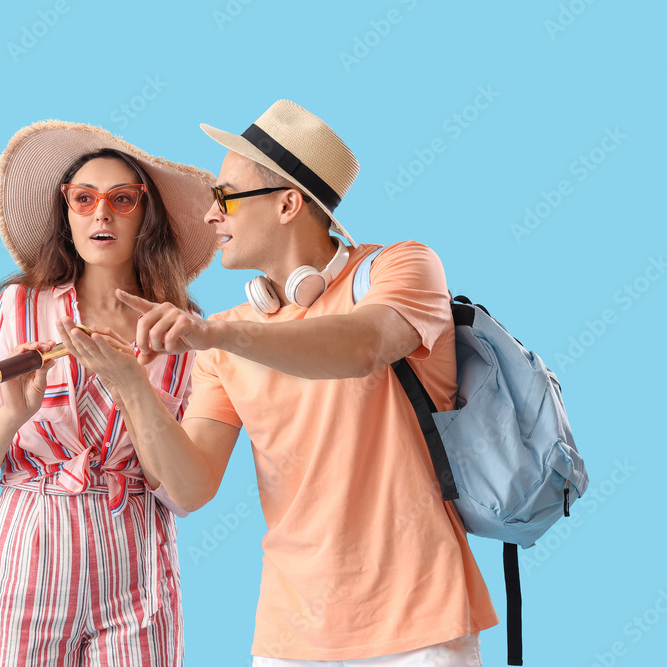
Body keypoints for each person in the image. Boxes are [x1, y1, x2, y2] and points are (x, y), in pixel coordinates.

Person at [58, 100, 499, 666]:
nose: (210, 216)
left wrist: (219, 338)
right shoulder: (222, 336)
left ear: (288, 202)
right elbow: (190, 488)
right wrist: (132, 386)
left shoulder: (399, 268)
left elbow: (363, 347)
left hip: (420, 628)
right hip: (290, 639)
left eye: (225, 198)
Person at [0, 120, 217, 666]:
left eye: (122, 198)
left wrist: (133, 390)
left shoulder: (183, 329)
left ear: (147, 215)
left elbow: (180, 488)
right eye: (83, 198)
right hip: (28, 562)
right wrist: (14, 414)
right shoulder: (20, 307)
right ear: (65, 212)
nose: (101, 213)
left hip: (135, 568)